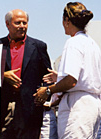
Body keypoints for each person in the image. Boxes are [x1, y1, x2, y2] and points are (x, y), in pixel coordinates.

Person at [33, 2, 101, 139]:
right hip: (92, 105)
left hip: (77, 106)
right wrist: (59, 78)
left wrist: (48, 90)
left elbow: (71, 81)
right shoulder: (92, 44)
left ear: (66, 20)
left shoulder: (73, 42)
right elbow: (87, 77)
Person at [0, 9, 52, 139]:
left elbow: (48, 76)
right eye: (18, 23)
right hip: (4, 106)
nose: (22, 26)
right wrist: (3, 75)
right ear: (7, 24)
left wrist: (44, 93)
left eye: (25, 23)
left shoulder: (39, 46)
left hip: (31, 109)